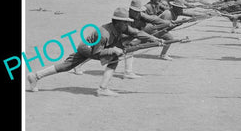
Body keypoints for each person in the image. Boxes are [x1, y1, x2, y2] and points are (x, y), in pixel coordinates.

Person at [27, 8, 162, 97]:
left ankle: (35, 76)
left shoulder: (121, 28)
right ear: (117, 22)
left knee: (67, 65)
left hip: (97, 47)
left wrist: (155, 39)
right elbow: (98, 53)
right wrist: (114, 50)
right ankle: (102, 89)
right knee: (68, 65)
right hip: (87, 48)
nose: (127, 25)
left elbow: (138, 33)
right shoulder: (104, 34)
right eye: (125, 22)